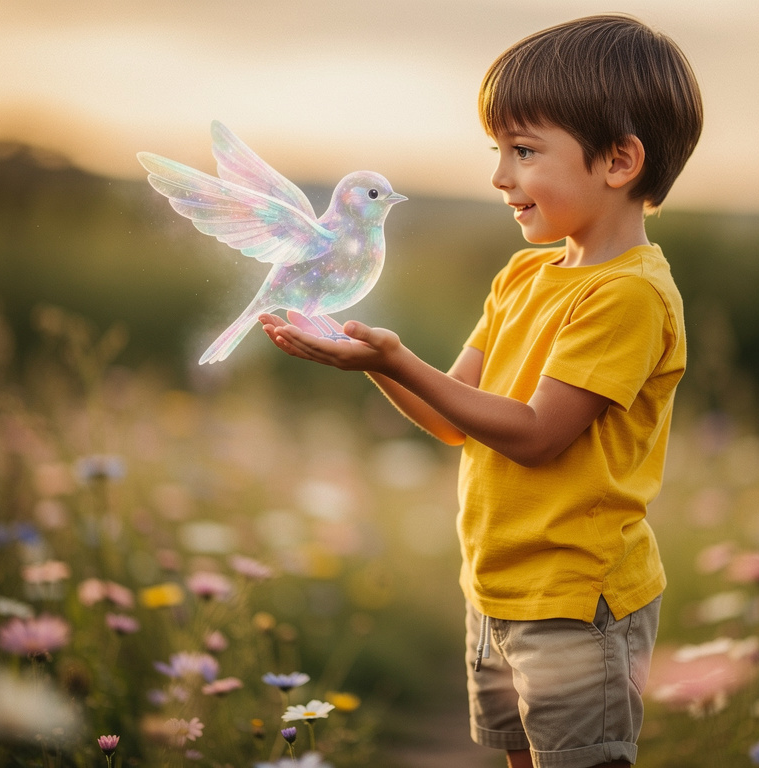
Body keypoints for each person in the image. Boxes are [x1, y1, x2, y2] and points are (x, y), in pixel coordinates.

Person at [259, 13, 702, 768]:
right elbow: (455, 417)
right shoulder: (525, 275)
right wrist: (373, 363)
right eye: (499, 151)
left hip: (575, 597)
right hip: (497, 585)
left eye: (524, 151)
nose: (501, 177)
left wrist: (398, 361)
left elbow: (534, 434)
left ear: (621, 160)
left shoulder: (628, 296)